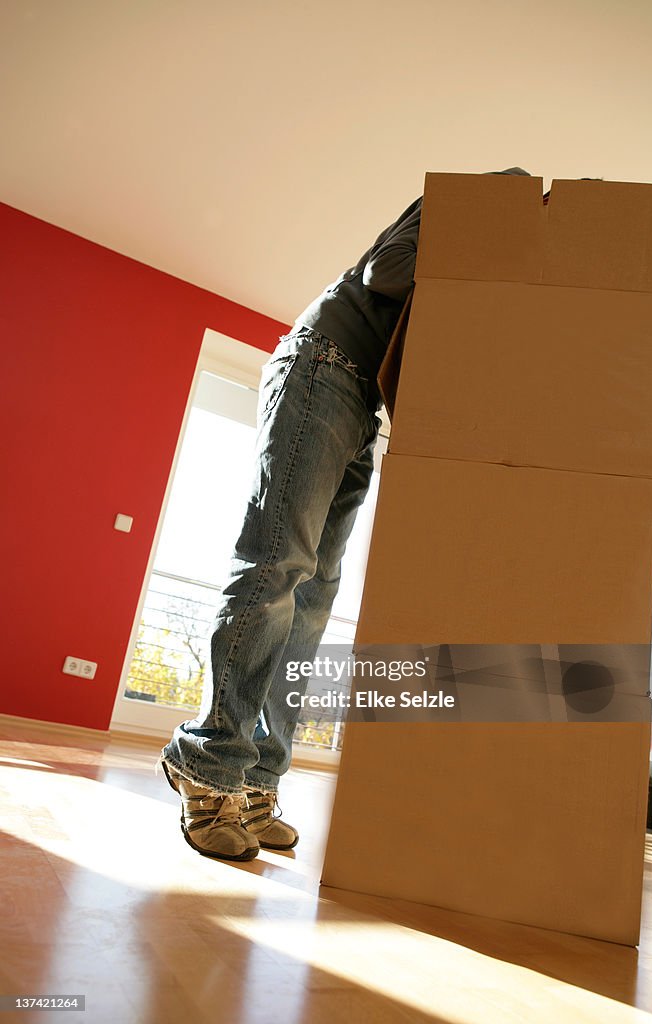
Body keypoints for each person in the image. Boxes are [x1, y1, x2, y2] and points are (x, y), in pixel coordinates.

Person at [157, 166, 532, 862]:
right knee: (277, 565)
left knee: (315, 596)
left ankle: (257, 779)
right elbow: (384, 274)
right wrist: (476, 246)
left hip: (363, 404)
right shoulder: (457, 207)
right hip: (323, 365)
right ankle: (207, 764)